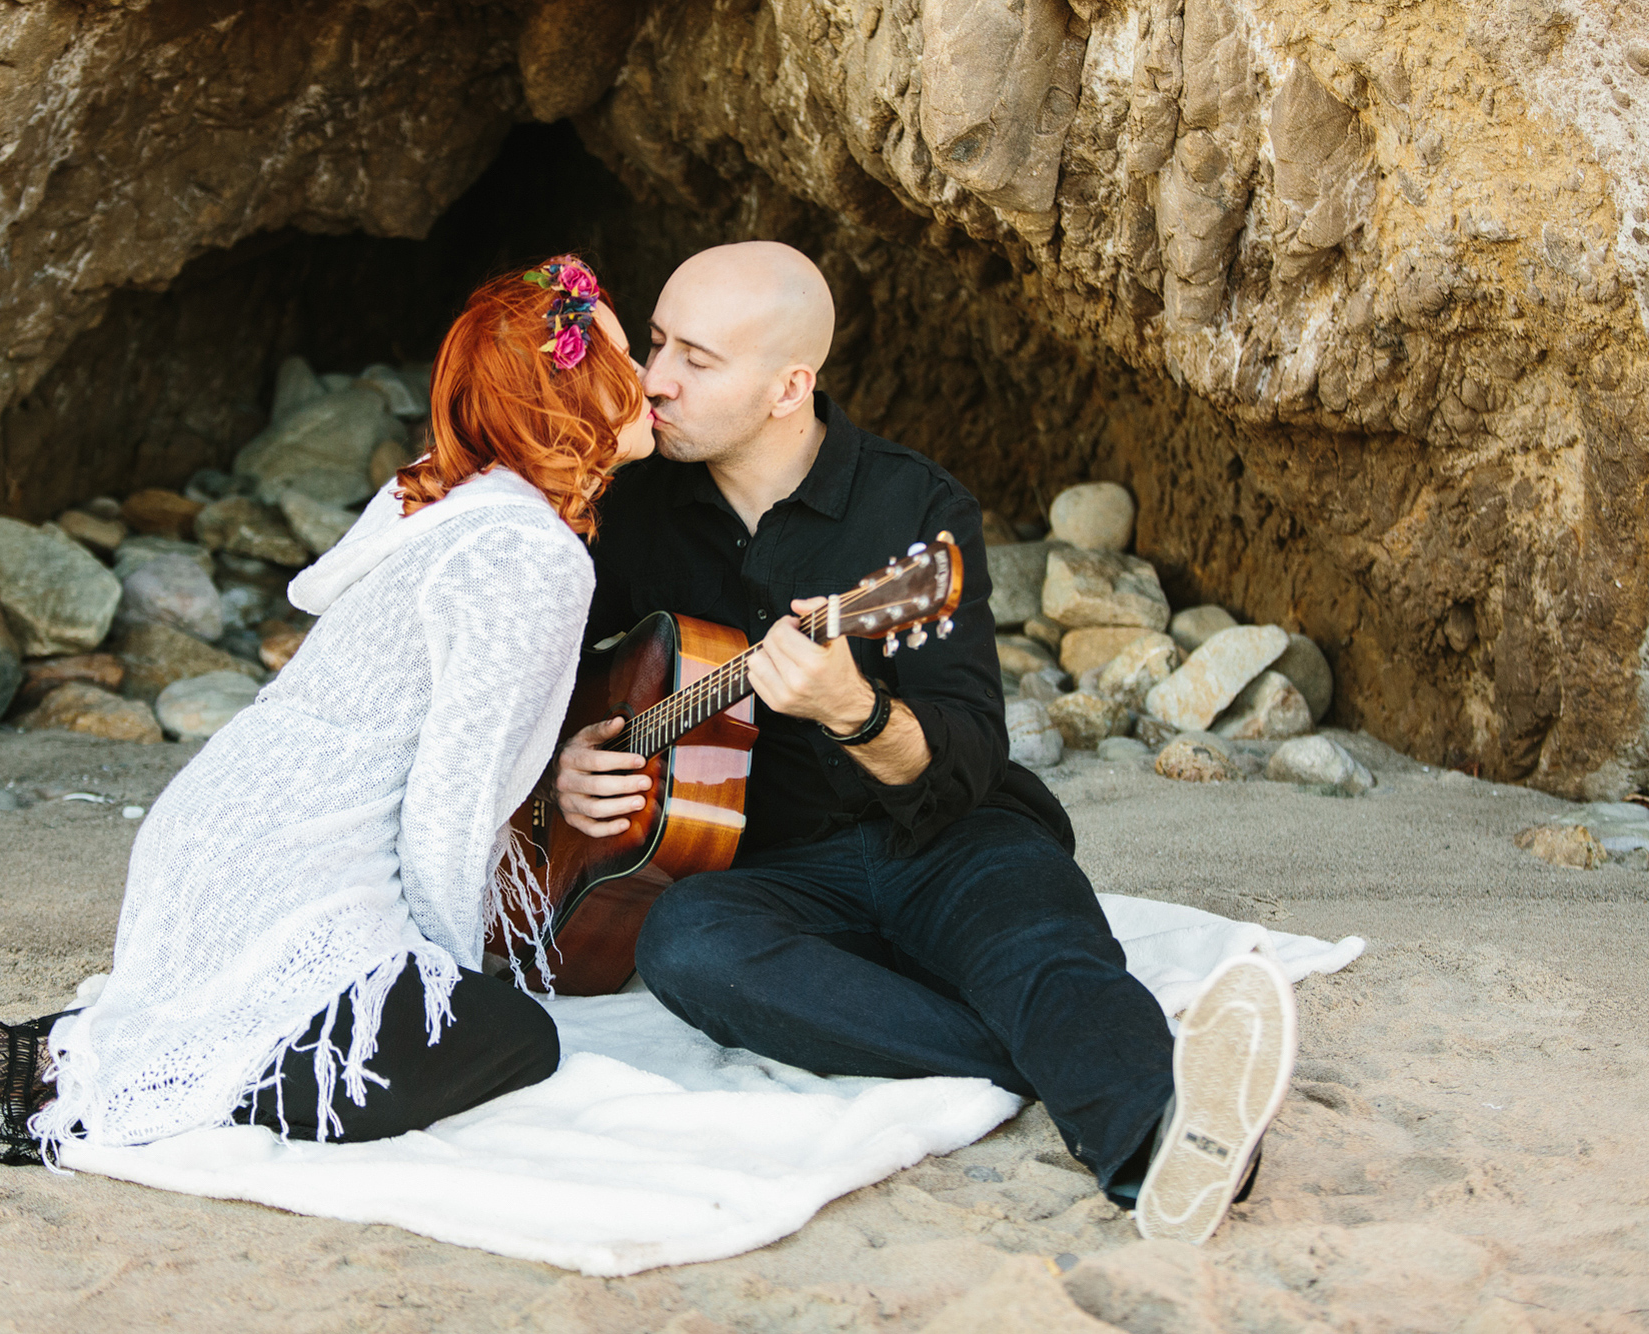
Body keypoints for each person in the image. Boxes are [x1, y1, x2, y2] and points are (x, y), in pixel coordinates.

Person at [550, 241, 1296, 1246]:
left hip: (944, 838)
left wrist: (850, 708)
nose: (654, 380)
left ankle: (1159, 1143)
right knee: (686, 944)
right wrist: (567, 756)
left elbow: (964, 755)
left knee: (1037, 940)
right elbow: (540, 668)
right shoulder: (637, 510)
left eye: (697, 357)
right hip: (766, 871)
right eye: (655, 342)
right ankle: (1053, 1055)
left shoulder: (913, 517)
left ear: (788, 386)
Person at [0, 256, 656, 1167]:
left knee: (319, 1015)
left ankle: (53, 1056)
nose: (647, 382)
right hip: (287, 854)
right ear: (569, 389)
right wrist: (444, 979)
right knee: (509, 1036)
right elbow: (453, 798)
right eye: (624, 358)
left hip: (221, 827)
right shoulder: (527, 554)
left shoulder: (453, 500)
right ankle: (28, 1065)